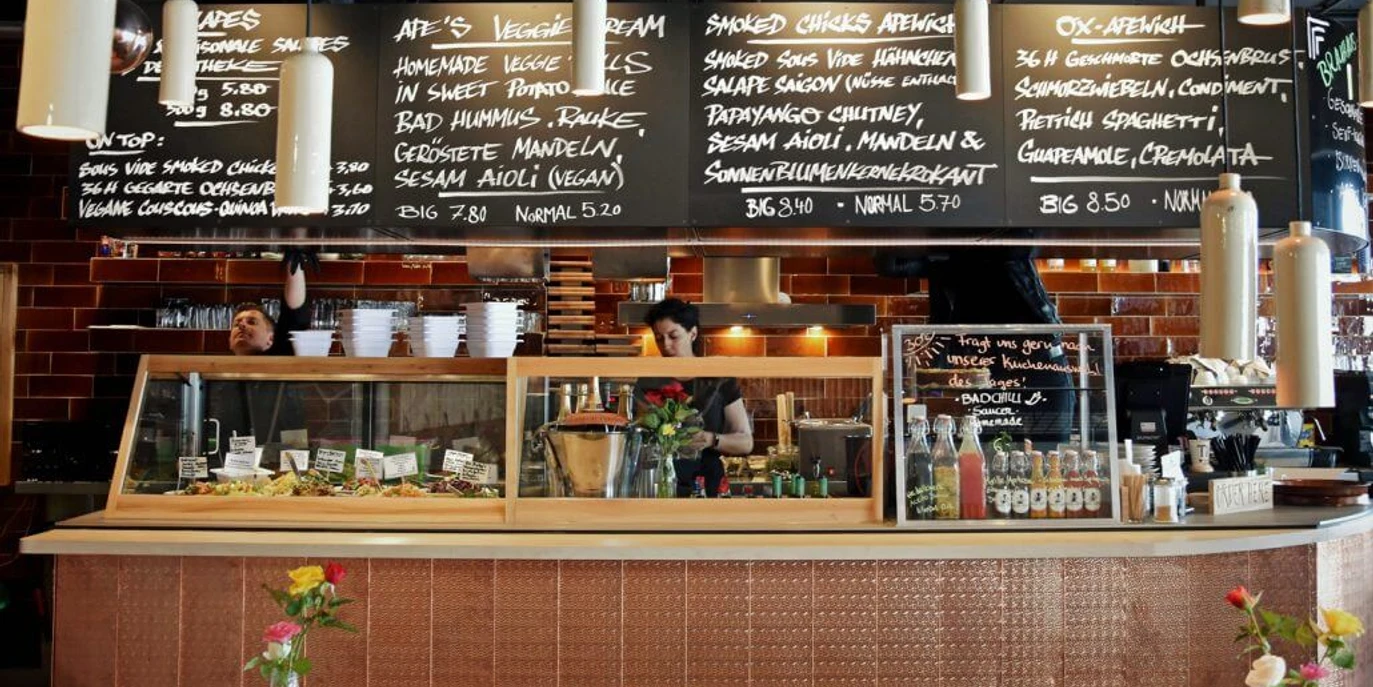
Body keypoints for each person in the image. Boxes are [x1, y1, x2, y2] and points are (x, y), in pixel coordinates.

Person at [638, 298, 753, 497]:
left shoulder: (718, 378)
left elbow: (745, 442)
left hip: (708, 484)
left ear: (692, 333)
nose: (666, 345)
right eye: (659, 338)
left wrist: (712, 439)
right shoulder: (648, 381)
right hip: (660, 485)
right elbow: (639, 440)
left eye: (673, 336)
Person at [229, 249, 314, 356]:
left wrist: (294, 257)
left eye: (252, 322)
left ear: (271, 339)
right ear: (229, 342)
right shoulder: (217, 367)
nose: (242, 325)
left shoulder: (279, 359)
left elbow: (294, 314)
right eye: (236, 324)